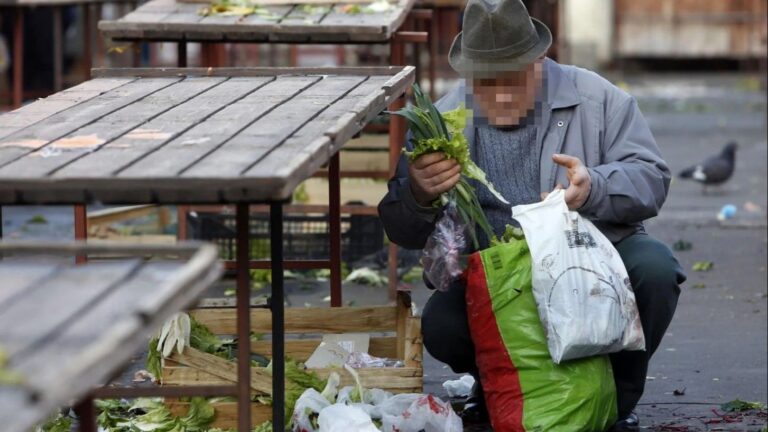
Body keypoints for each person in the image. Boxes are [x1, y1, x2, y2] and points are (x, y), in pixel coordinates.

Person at [377, 0, 687, 430]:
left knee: (654, 269)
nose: (500, 95)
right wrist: (418, 193)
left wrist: (593, 186)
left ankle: (615, 400)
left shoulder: (597, 98)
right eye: (486, 83)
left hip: (588, 266)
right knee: (442, 324)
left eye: (513, 79)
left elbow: (652, 179)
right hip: (501, 279)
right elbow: (399, 227)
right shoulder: (444, 119)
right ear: (467, 74)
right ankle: (498, 387)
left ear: (540, 60)